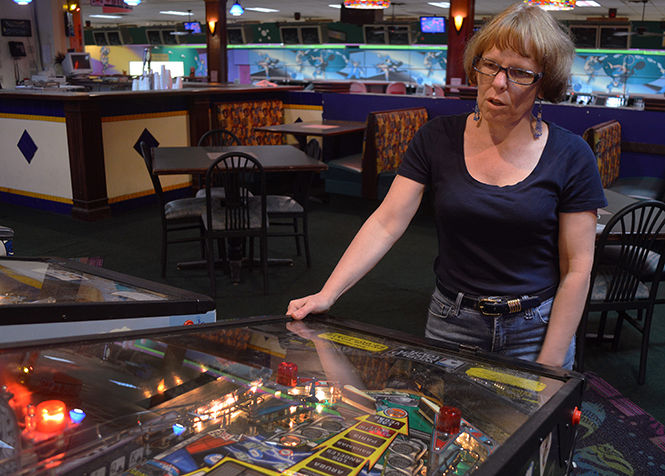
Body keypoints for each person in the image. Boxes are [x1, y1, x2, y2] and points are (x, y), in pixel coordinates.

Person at [286, 3, 607, 370]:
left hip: (535, 327)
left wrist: (549, 364)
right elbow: (386, 221)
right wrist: (329, 292)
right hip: (452, 321)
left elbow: (578, 267)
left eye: (519, 72)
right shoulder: (437, 137)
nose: (499, 82)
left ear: (543, 82)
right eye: (490, 65)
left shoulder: (572, 154)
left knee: (535, 428)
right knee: (447, 426)